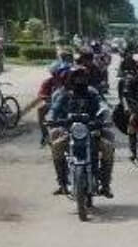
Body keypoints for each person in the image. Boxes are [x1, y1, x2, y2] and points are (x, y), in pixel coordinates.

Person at [46, 65, 115, 198]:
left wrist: (105, 117)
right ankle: (62, 183)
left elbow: (103, 106)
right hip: (70, 133)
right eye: (76, 78)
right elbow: (54, 110)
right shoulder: (64, 95)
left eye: (82, 78)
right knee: (56, 147)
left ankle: (105, 184)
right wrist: (51, 119)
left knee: (107, 147)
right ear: (71, 80)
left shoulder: (92, 94)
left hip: (92, 132)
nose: (79, 81)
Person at [35, 63, 70, 147]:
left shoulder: (71, 82)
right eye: (56, 73)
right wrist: (48, 98)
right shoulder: (48, 82)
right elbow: (41, 94)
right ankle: (45, 134)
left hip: (69, 104)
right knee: (40, 109)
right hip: (52, 103)